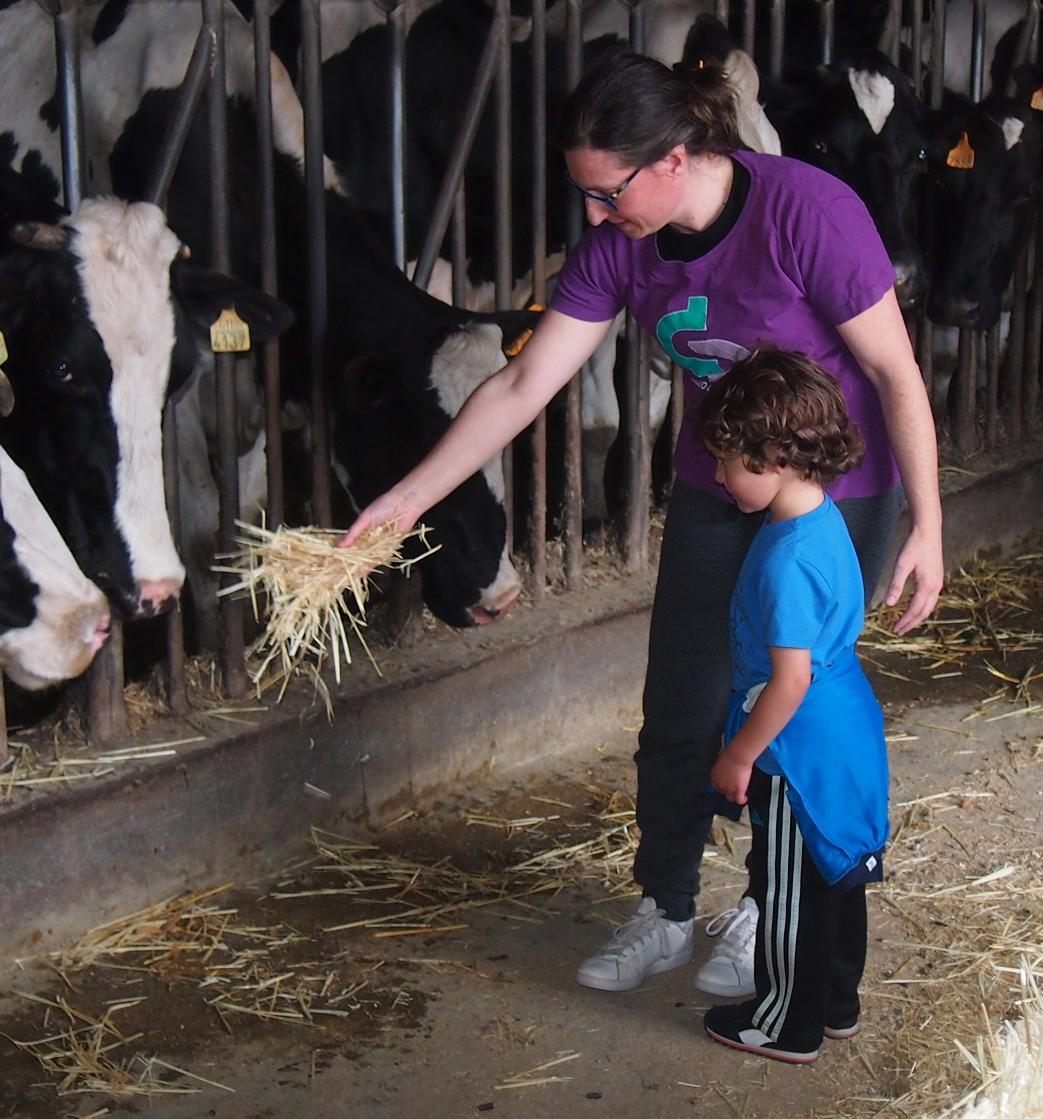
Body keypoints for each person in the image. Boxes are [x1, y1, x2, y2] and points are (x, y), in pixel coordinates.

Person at [340, 50, 942, 996]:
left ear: (672, 159)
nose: (592, 214)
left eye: (605, 189)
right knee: (683, 702)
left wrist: (927, 522)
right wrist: (408, 498)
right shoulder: (621, 243)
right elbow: (524, 382)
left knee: (793, 701)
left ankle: (760, 903)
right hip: (717, 483)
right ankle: (665, 905)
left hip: (838, 491)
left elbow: (897, 375)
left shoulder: (809, 213)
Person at [696, 349, 888, 1063]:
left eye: (727, 461)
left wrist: (740, 750)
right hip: (844, 723)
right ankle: (836, 1001)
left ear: (774, 454)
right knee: (838, 870)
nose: (718, 477)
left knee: (786, 883)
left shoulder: (784, 560)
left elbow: (789, 680)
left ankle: (785, 1021)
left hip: (796, 742)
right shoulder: (823, 523)